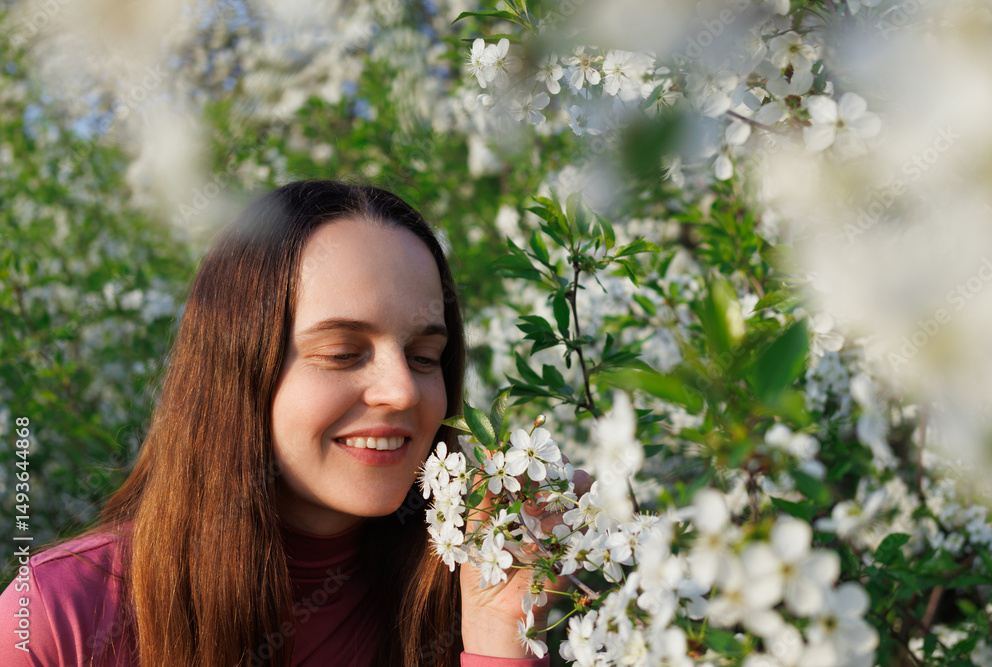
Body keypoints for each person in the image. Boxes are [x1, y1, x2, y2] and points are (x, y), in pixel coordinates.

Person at [0, 181, 587, 666]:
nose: (403, 389)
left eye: (425, 356)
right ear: (238, 368)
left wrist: (499, 640)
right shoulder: (61, 619)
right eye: (341, 352)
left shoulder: (491, 585)